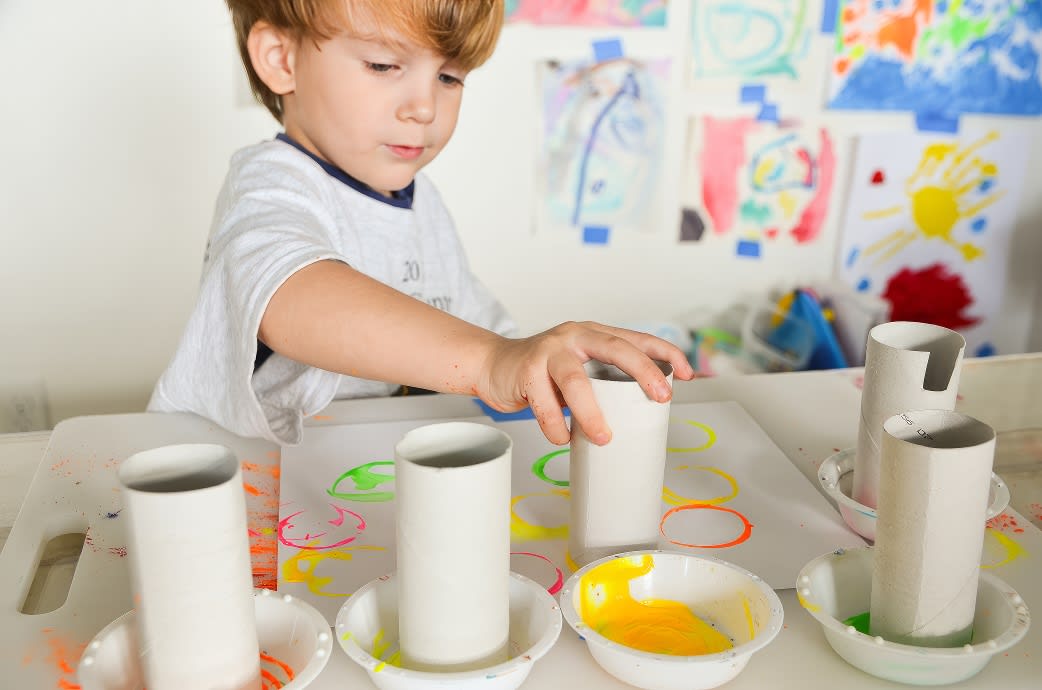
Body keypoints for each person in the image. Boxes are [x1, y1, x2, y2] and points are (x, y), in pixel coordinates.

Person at [149, 0, 693, 446]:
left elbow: (468, 317)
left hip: (365, 469)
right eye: (384, 66)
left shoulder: (417, 199)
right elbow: (285, 294)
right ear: (281, 59)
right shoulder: (273, 182)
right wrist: (493, 361)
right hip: (252, 485)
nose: (425, 107)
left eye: (450, 76)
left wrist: (544, 369)